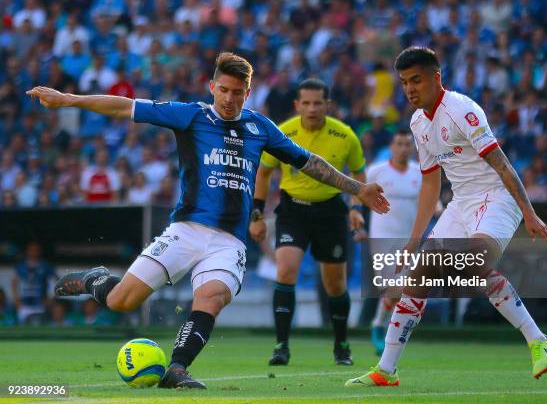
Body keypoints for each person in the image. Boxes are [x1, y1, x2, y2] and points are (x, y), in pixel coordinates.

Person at [27, 52, 389, 389]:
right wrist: (69, 99)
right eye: (224, 90)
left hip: (229, 241)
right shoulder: (191, 115)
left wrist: (357, 188)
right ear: (212, 87)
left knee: (212, 297)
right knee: (122, 301)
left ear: (249, 92)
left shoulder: (260, 128)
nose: (230, 99)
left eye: (238, 93)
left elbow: (309, 161)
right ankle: (96, 279)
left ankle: (177, 369)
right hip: (185, 230)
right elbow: (126, 107)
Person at [346, 46, 547, 387]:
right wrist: (413, 243)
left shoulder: (462, 110)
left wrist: (529, 213)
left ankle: (539, 341)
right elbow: (431, 184)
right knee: (417, 276)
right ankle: (386, 369)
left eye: (417, 80)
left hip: (497, 199)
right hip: (461, 203)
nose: (410, 89)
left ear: (436, 77)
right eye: (404, 83)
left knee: (472, 263)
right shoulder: (418, 122)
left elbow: (502, 164)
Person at [249, 78, 367, 366]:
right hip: (293, 212)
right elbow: (263, 175)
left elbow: (359, 173)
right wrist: (257, 215)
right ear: (296, 105)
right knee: (285, 271)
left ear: (327, 104)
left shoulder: (345, 136)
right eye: (306, 103)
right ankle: (281, 346)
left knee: (335, 286)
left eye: (318, 103)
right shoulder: (282, 133)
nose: (312, 108)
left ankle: (341, 345)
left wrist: (355, 207)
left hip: (331, 213)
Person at [365, 129, 429, 356]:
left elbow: (429, 202)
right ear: (391, 147)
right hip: (382, 239)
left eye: (407, 144)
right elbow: (359, 196)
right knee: (395, 289)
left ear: (412, 148)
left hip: (409, 241)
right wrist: (359, 225)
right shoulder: (376, 171)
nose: (403, 148)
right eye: (399, 144)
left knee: (403, 291)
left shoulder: (419, 174)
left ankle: (379, 325)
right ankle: (382, 330)